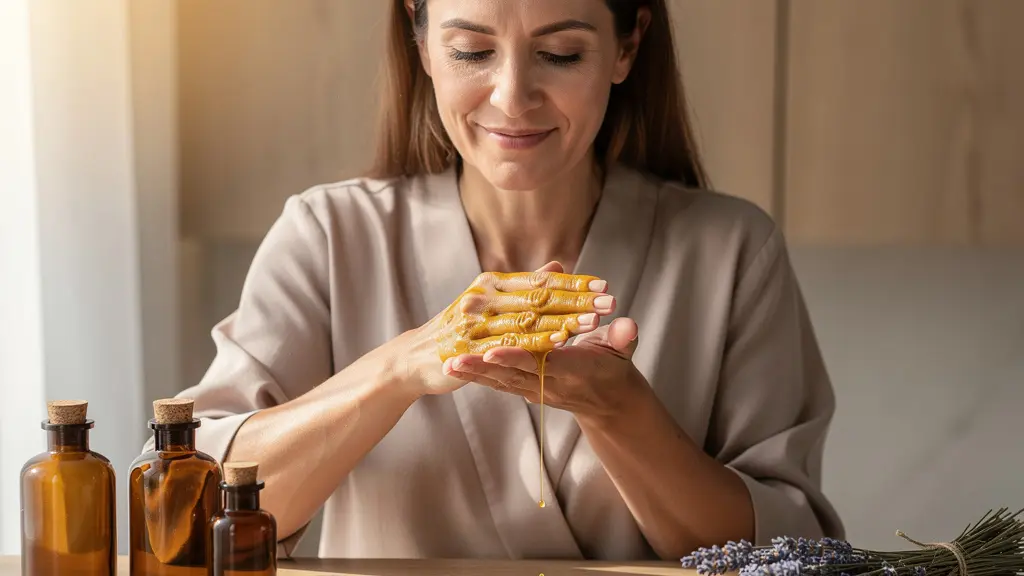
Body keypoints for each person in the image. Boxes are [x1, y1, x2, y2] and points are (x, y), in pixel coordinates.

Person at [163, 0, 845, 562]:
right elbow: (191, 514)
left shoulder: (730, 251)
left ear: (627, 46)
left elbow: (791, 552)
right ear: (422, 42)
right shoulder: (328, 236)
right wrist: (401, 367)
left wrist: (623, 415)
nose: (513, 97)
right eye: (471, 51)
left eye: (561, 54)